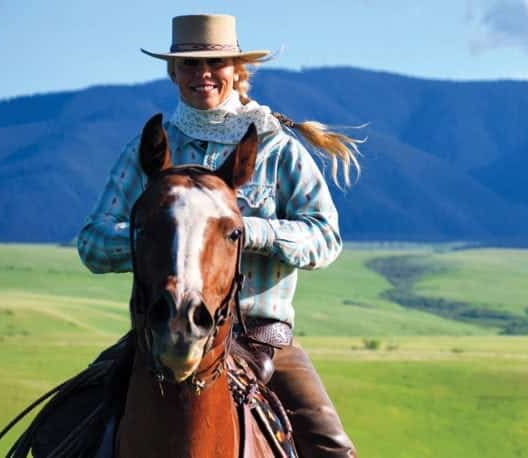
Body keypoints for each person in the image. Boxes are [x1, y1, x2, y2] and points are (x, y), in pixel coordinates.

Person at [76, 14, 359, 458]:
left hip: (260, 336)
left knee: (332, 449)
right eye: (188, 65)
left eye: (215, 63)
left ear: (236, 69)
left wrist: (248, 232)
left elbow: (326, 238)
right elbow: (93, 243)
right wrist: (165, 240)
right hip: (160, 330)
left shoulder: (277, 149)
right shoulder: (147, 148)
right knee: (63, 425)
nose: (201, 74)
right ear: (172, 72)